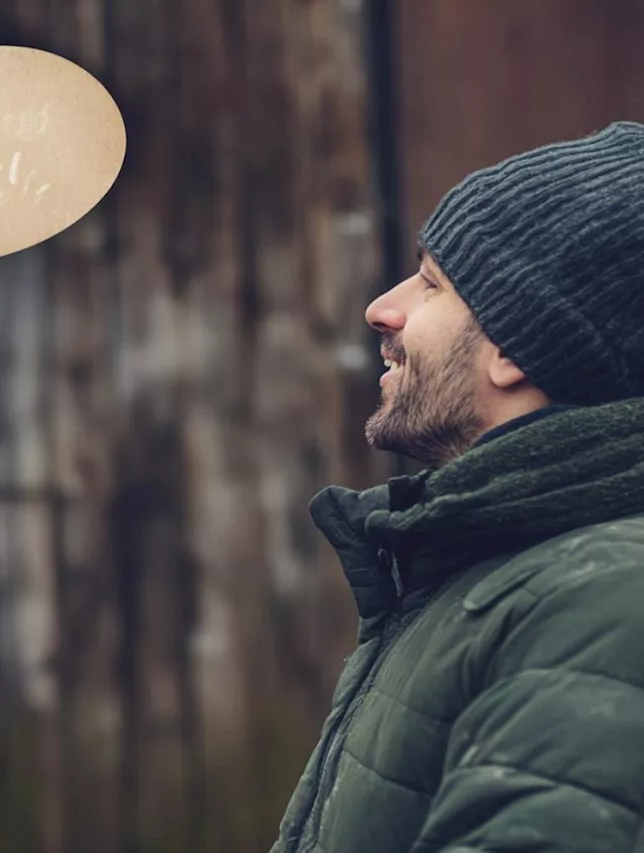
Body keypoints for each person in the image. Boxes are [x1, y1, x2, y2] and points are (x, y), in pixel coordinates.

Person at [272, 121, 644, 852]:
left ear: (514, 348)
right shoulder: (491, 564)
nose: (384, 306)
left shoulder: (605, 600)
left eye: (432, 283)